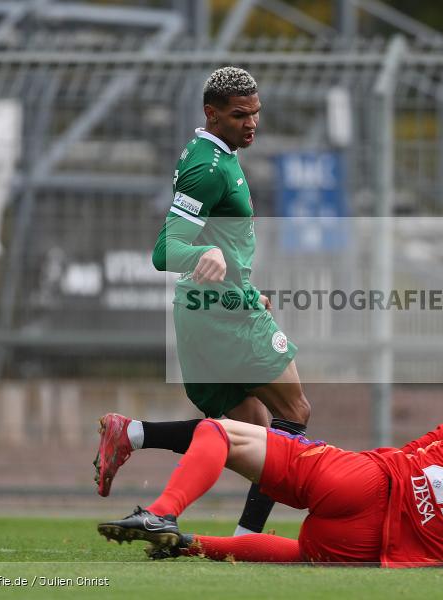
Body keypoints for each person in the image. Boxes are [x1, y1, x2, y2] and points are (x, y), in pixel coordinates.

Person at [93, 67, 311, 538]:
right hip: (223, 316)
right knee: (293, 415)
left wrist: (242, 284)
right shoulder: (207, 169)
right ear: (211, 114)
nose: (252, 123)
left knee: (247, 435)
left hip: (213, 309)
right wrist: (202, 253)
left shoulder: (214, 154)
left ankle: (133, 435)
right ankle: (247, 538)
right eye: (239, 115)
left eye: (256, 113)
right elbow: (164, 250)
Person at [96, 413, 443, 567]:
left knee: (219, 433)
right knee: (300, 556)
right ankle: (192, 545)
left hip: (363, 481)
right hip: (379, 550)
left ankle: (163, 513)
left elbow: (411, 449)